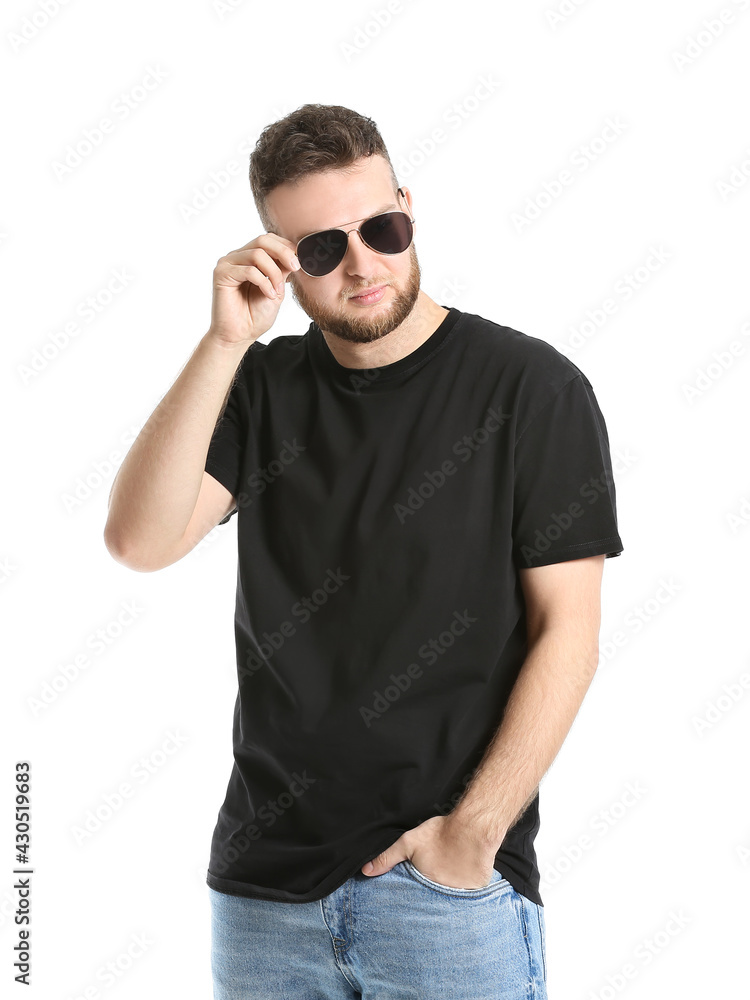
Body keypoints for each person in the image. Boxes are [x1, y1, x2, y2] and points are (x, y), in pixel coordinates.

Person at [104, 103, 624, 999]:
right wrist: (226, 341)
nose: (361, 264)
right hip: (264, 900)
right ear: (278, 258)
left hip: (446, 898)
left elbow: (567, 634)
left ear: (409, 209)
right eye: (319, 248)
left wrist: (472, 836)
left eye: (381, 228)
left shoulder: (532, 388)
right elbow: (139, 542)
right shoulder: (258, 389)